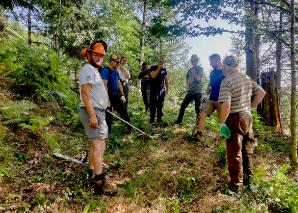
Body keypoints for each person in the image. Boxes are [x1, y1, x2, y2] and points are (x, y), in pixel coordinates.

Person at [218, 55, 266, 192]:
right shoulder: (246, 78)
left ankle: (236, 186)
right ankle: (249, 181)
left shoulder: (227, 81)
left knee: (234, 152)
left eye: (223, 67)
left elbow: (226, 104)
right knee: (247, 151)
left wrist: (222, 123)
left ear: (227, 66)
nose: (222, 69)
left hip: (235, 119)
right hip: (247, 118)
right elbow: (262, 93)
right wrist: (250, 107)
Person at [79, 41, 116, 195]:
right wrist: (93, 115)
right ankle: (100, 183)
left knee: (94, 144)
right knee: (100, 145)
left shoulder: (93, 70)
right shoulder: (88, 69)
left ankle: (92, 170)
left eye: (101, 56)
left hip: (96, 111)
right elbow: (85, 93)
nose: (99, 58)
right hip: (93, 112)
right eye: (96, 55)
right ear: (89, 55)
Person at [193, 53, 225, 138]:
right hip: (211, 99)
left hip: (222, 100)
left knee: (223, 120)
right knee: (202, 114)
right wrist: (206, 92)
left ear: (217, 60)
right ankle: (198, 134)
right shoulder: (212, 72)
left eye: (211, 62)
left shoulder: (226, 71)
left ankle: (224, 137)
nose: (210, 64)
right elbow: (210, 84)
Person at [101, 55, 132, 133]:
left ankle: (130, 129)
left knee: (123, 111)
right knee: (108, 115)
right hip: (107, 94)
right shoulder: (105, 71)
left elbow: (119, 84)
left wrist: (122, 95)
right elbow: (104, 86)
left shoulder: (116, 72)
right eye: (117, 62)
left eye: (119, 62)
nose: (118, 63)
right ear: (111, 61)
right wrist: (107, 100)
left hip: (115, 95)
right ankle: (108, 132)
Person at [175, 54, 203, 125]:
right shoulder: (189, 70)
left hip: (197, 92)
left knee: (197, 109)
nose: (193, 62)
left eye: (194, 61)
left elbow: (198, 78)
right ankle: (179, 121)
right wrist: (188, 83)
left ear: (197, 61)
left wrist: (193, 72)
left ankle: (198, 125)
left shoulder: (200, 69)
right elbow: (187, 80)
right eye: (192, 61)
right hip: (190, 92)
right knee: (183, 106)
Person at [149, 57, 169, 124]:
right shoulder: (153, 67)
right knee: (153, 104)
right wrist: (158, 68)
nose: (161, 63)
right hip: (153, 89)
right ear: (157, 61)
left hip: (161, 90)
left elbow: (166, 80)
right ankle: (152, 118)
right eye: (160, 61)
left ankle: (159, 119)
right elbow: (153, 76)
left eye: (162, 62)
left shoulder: (164, 70)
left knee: (160, 104)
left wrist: (167, 89)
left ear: (164, 63)